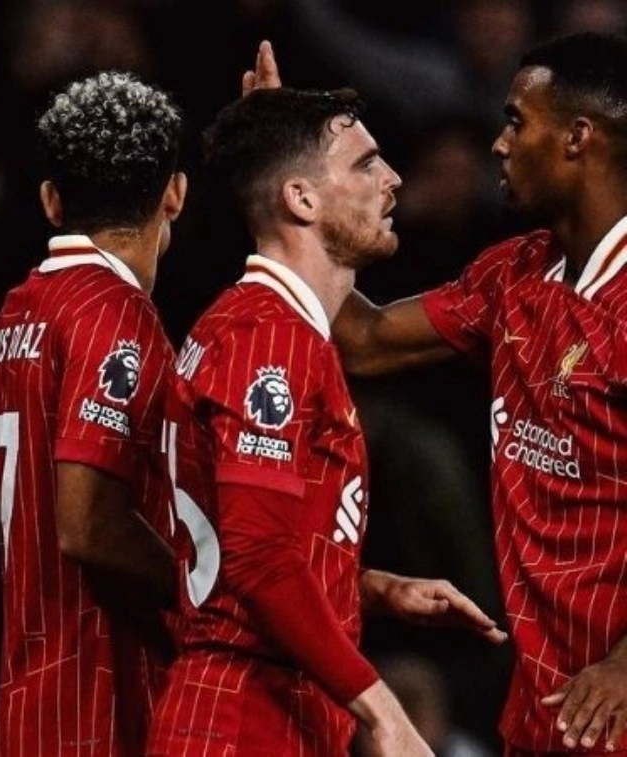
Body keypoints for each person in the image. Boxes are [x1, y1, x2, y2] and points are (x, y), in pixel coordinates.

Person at [147, 85, 506, 756]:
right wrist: (385, 711)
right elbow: (258, 558)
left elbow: (244, 545)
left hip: (270, 711)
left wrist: (364, 586)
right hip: (244, 718)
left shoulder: (276, 330)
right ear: (301, 199)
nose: (392, 178)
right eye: (365, 164)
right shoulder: (269, 338)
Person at [329, 31, 627, 754]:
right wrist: (297, 205)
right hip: (540, 703)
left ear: (577, 137)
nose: (499, 143)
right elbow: (364, 338)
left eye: (517, 121)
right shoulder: (513, 273)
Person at [0, 70, 184, 756]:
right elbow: (87, 523)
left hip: (33, 698)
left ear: (51, 200)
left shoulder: (19, 310)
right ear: (175, 193)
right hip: (105, 702)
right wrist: (210, 593)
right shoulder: (114, 313)